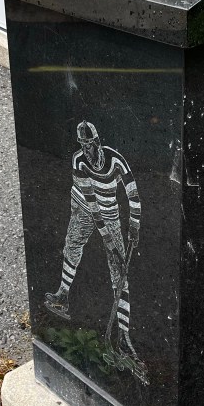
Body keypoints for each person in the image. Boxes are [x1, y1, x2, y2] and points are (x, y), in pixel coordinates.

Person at [45, 121, 146, 382]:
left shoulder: (116, 161)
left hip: (110, 214)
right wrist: (107, 239)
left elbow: (133, 195)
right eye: (83, 145)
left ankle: (124, 336)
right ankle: (63, 295)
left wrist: (134, 226)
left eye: (89, 144)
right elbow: (91, 202)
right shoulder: (78, 161)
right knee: (72, 244)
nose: (87, 150)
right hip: (84, 205)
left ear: (97, 142)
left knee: (119, 271)